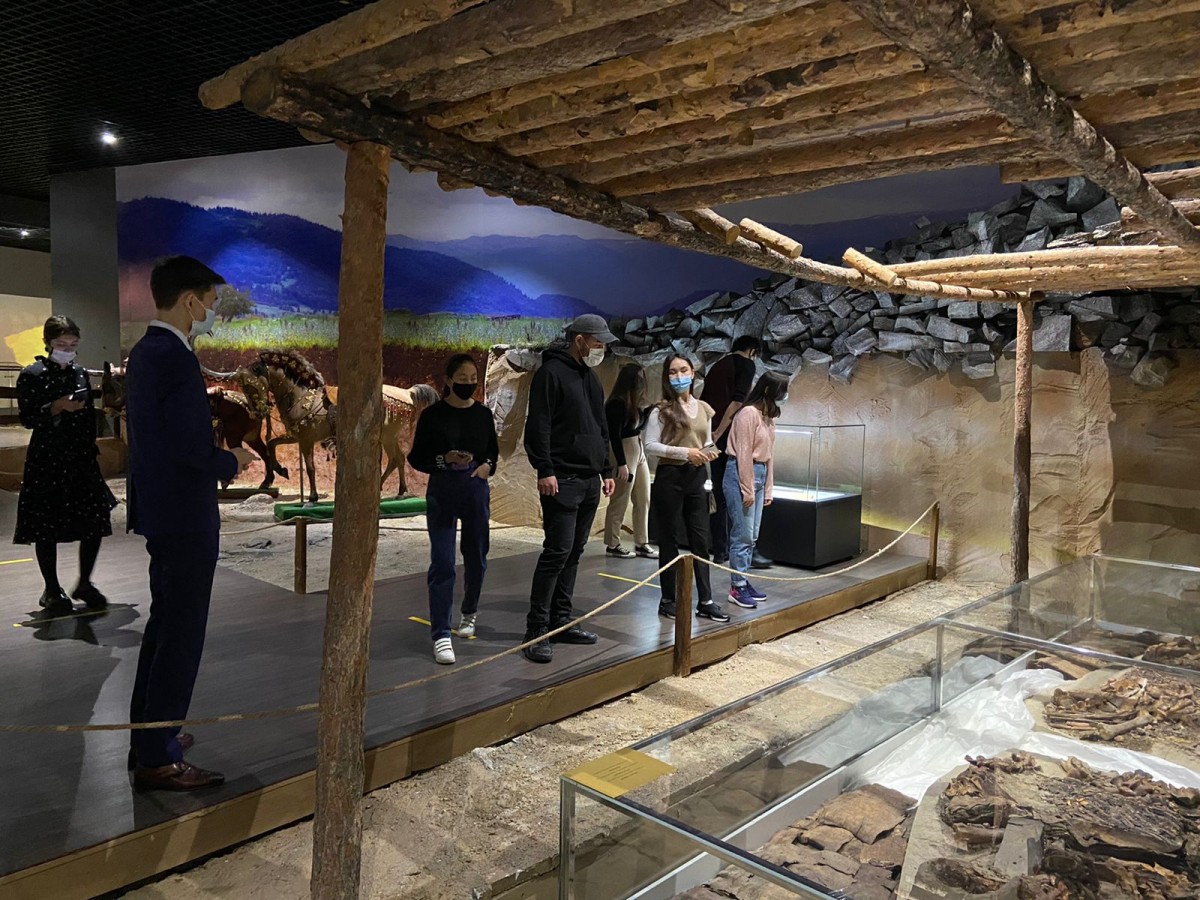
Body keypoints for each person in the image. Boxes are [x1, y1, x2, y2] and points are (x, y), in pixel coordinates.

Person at [125, 256, 254, 791]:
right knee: (181, 634)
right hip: (184, 514)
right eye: (211, 301)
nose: (213, 310)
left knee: (164, 626)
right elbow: (187, 447)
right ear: (189, 301)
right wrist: (232, 461)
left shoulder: (144, 353)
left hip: (162, 510)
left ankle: (150, 736)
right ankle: (159, 756)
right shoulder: (174, 359)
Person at [522, 314, 617, 663]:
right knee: (556, 552)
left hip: (589, 479)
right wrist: (545, 469)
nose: (601, 348)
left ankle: (561, 620)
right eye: (598, 342)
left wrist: (605, 468)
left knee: (574, 552)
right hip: (561, 478)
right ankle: (536, 629)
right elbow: (539, 425)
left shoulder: (591, 378)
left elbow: (600, 426)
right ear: (579, 340)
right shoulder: (550, 374)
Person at [14, 316, 118, 614]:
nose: (68, 349)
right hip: (47, 458)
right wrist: (55, 406)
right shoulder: (32, 374)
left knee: (95, 518)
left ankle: (85, 582)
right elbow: (28, 417)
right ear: (48, 343)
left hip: (80, 456)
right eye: (62, 344)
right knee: (45, 524)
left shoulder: (80, 373)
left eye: (73, 344)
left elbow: (87, 414)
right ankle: (51, 588)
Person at [407, 355, 498, 665]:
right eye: (462, 378)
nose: (468, 383)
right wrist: (444, 459)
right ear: (448, 380)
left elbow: (492, 452)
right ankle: (441, 633)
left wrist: (486, 467)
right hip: (443, 490)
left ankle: (469, 611)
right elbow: (417, 458)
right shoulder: (433, 416)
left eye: (473, 378)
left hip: (475, 490)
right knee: (443, 562)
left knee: (477, 557)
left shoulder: (483, 415)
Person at [644, 354, 729, 623]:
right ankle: (668, 599)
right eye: (673, 372)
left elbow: (705, 441)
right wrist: (685, 453)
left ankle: (706, 600)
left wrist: (709, 452)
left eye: (683, 370)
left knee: (700, 541)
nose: (678, 376)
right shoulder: (661, 410)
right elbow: (650, 445)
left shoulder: (704, 408)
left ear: (693, 373)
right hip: (670, 476)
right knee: (669, 541)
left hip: (696, 477)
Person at [723, 372, 787, 610]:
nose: (784, 396)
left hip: (759, 474)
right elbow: (743, 453)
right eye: (782, 391)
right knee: (742, 534)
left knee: (752, 535)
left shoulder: (768, 417)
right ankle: (736, 586)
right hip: (741, 474)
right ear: (769, 390)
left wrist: (768, 488)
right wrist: (747, 488)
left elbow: (769, 455)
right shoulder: (748, 413)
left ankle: (742, 578)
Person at [701, 336, 764, 566]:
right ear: (752, 351)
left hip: (711, 434)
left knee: (718, 492)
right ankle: (744, 549)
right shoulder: (746, 365)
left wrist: (709, 434)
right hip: (728, 436)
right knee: (737, 494)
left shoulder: (717, 365)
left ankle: (720, 549)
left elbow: (704, 402)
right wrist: (720, 431)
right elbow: (737, 402)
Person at [603, 363, 656, 560]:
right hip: (624, 449)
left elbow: (638, 427)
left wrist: (648, 410)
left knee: (643, 496)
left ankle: (642, 541)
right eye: (640, 378)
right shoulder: (616, 404)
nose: (643, 382)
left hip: (637, 446)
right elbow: (614, 436)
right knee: (621, 497)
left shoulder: (634, 403)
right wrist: (622, 463)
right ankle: (613, 542)